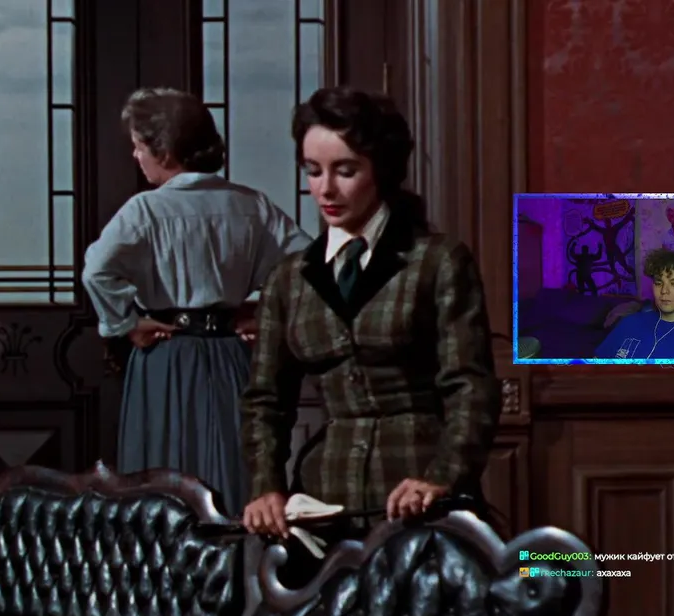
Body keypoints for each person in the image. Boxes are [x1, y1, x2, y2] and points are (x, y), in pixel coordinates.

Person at [239, 87, 501, 541]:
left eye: (345, 171)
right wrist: (267, 487)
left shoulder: (436, 261)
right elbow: (265, 400)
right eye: (313, 171)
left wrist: (442, 477)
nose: (326, 189)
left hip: (420, 498)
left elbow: (470, 387)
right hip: (324, 501)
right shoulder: (289, 279)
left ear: (381, 170)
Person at [82, 88, 312, 516]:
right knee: (234, 468)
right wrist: (263, 311)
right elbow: (308, 265)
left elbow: (96, 270)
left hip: (167, 355)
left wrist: (127, 323)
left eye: (139, 146)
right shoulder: (251, 205)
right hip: (232, 355)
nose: (135, 156)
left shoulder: (145, 211)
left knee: (163, 478)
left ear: (165, 151)